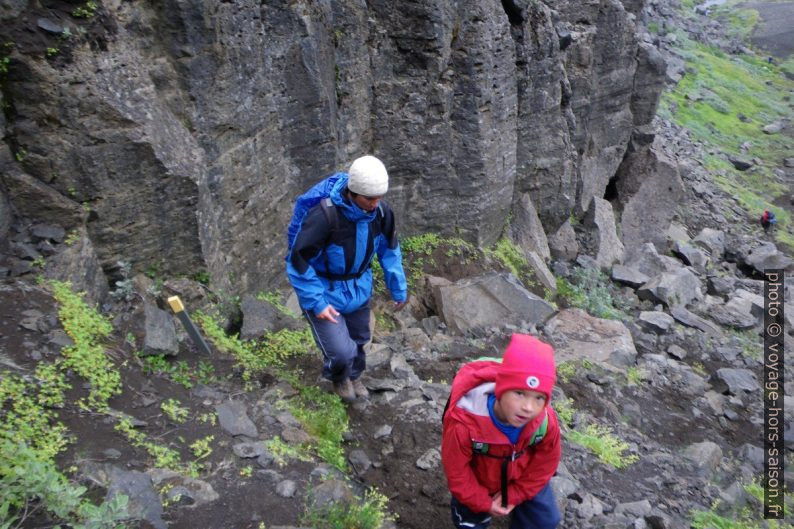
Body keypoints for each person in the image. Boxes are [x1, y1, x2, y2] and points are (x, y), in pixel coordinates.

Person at [286, 155, 408, 402]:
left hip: (359, 289)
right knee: (340, 351)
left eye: (379, 197)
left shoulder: (382, 213)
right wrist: (316, 302)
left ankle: (354, 375)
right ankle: (339, 377)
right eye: (369, 199)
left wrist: (398, 289)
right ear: (352, 192)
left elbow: (390, 251)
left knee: (361, 339)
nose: (375, 203)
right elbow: (298, 261)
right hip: (325, 291)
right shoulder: (325, 217)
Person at [442, 334, 561, 529]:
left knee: (544, 521)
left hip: (522, 478)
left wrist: (517, 493)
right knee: (470, 524)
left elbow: (545, 463)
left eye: (539, 398)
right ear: (500, 389)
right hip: (477, 481)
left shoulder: (544, 422)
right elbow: (457, 472)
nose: (528, 407)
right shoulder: (465, 422)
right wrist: (483, 502)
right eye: (519, 393)